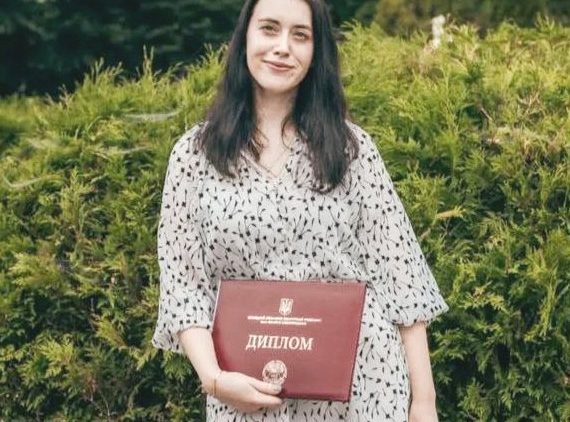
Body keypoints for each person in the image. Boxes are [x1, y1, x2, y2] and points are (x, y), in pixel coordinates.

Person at [151, 0, 450, 420]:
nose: (282, 47)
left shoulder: (351, 150)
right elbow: (184, 288)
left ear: (315, 51)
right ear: (244, 38)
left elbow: (401, 277)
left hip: (363, 390)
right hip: (246, 394)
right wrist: (214, 379)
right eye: (269, 29)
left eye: (300, 35)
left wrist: (423, 402)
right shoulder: (194, 155)